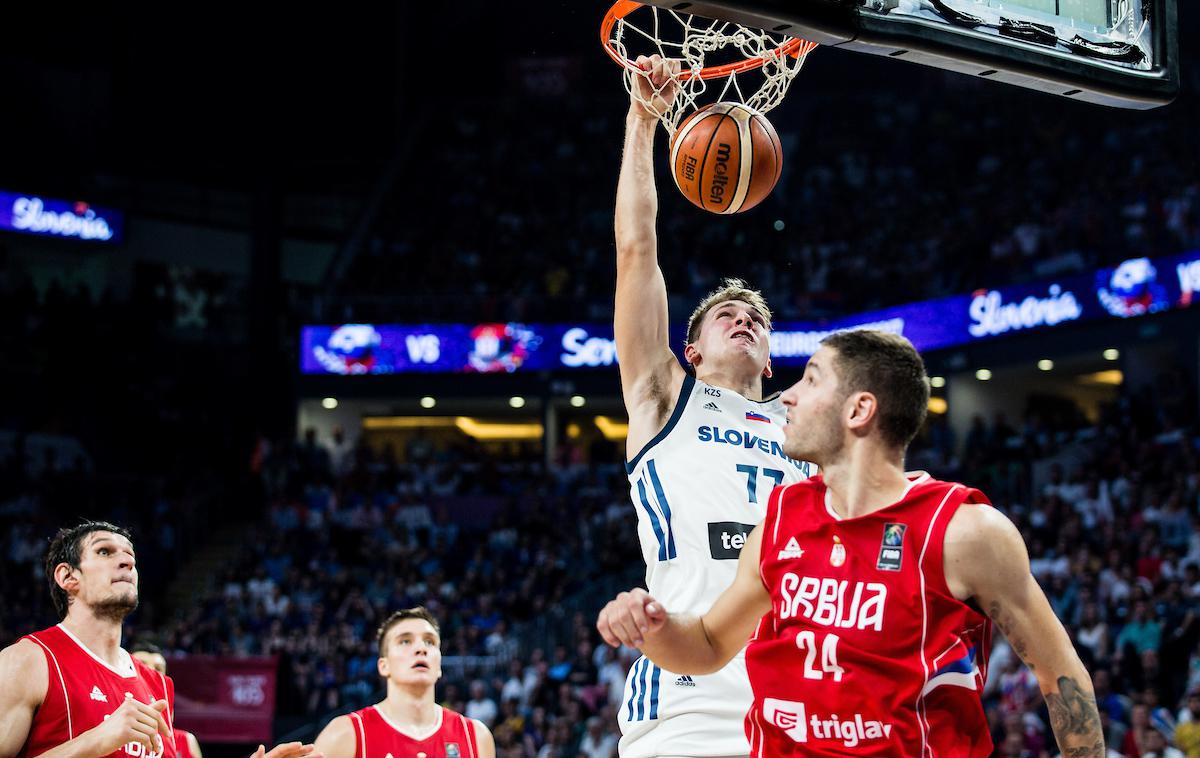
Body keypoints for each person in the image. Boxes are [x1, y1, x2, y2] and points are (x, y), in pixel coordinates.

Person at [598, 330, 1106, 756]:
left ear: (859, 410)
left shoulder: (963, 531)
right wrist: (653, 625)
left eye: (813, 379)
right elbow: (708, 646)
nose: (789, 395)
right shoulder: (780, 521)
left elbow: (1061, 676)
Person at [612, 53, 814, 758]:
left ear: (771, 356)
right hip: (687, 709)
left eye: (755, 318)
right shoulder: (666, 395)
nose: (744, 318)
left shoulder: (808, 426)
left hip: (804, 704)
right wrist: (644, 120)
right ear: (689, 349)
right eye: (724, 314)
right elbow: (638, 253)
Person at [0, 520, 317, 758]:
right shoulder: (29, 659)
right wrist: (96, 740)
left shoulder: (157, 684)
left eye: (130, 556)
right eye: (105, 552)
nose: (127, 563)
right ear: (68, 577)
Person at [314, 606, 496, 758]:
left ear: (439, 665)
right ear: (384, 666)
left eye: (430, 642)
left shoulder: (476, 737)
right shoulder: (346, 733)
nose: (421, 648)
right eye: (405, 641)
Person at [130, 645, 203, 758]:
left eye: (158, 668)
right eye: (142, 665)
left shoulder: (185, 740)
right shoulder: (112, 728)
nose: (151, 672)